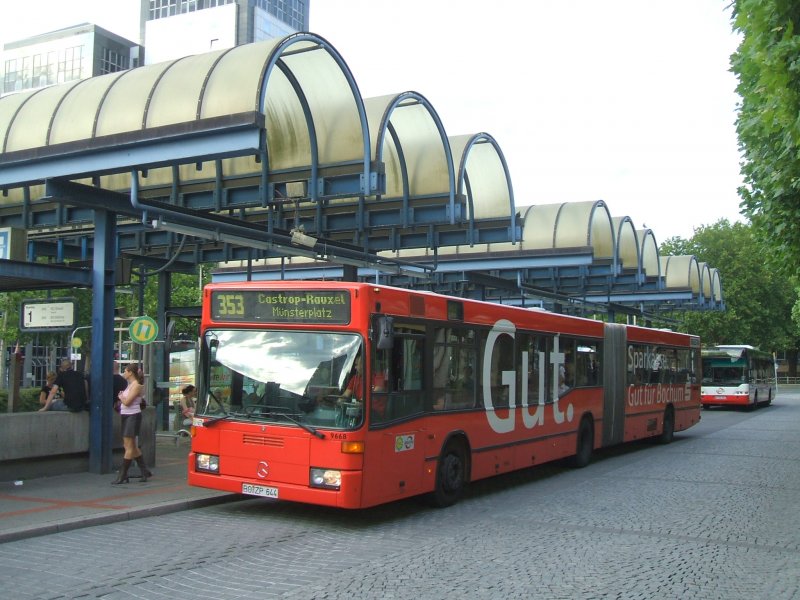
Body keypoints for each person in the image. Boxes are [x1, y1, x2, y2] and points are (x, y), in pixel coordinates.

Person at [113, 363, 152, 484]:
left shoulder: (137, 386)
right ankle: (144, 471)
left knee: (129, 447)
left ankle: (123, 474)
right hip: (126, 416)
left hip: (132, 416)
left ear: (130, 372)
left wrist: (120, 397)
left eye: (125, 371)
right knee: (129, 446)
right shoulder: (130, 385)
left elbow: (128, 402)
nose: (123, 373)